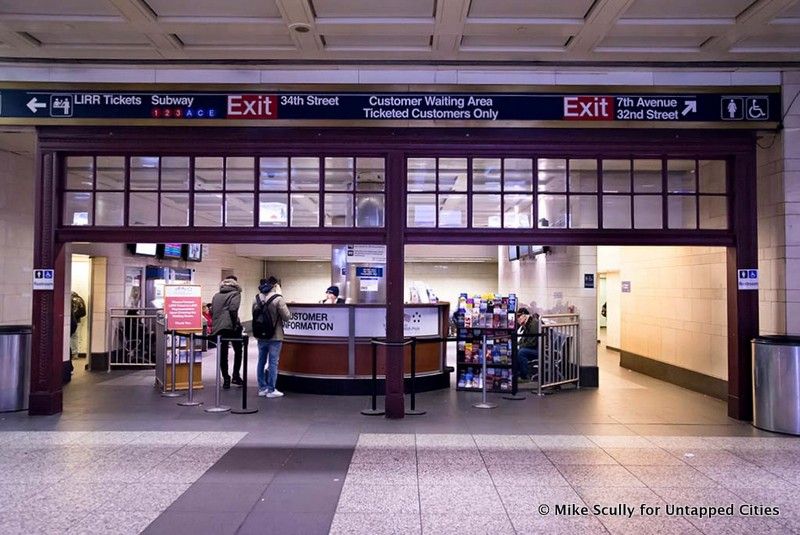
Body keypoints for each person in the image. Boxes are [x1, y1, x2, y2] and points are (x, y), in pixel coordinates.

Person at [253, 276, 291, 398]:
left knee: (261, 361)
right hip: (275, 335)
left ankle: (262, 388)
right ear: (274, 286)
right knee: (273, 362)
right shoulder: (278, 299)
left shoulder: (256, 298)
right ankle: (271, 389)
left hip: (260, 335)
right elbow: (287, 317)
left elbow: (254, 316)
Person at [211, 276, 243, 389]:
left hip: (219, 328)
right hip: (231, 327)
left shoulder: (216, 295)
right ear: (235, 283)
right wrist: (235, 324)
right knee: (238, 351)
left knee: (223, 354)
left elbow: (212, 311)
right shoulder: (235, 294)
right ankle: (235, 376)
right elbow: (233, 309)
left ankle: (226, 379)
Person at [515, 307, 540, 383]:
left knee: (521, 352)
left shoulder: (534, 324)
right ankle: (518, 373)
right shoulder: (528, 323)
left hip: (539, 349)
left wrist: (520, 346)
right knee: (517, 350)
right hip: (533, 347)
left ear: (524, 315)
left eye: (519, 317)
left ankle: (525, 376)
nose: (517, 319)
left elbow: (532, 342)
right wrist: (518, 345)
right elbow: (523, 339)